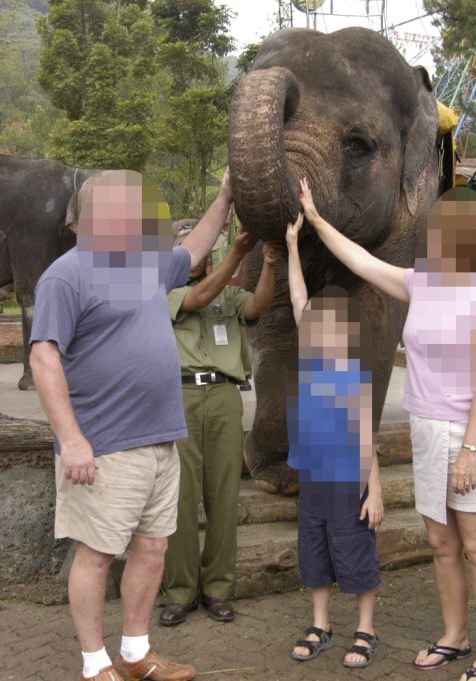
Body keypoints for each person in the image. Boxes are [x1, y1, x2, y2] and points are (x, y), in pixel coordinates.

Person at [297, 178, 476, 681]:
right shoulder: (422, 281)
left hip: (475, 436)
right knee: (442, 546)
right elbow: (360, 261)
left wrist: (469, 451)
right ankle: (454, 637)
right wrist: (315, 219)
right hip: (428, 430)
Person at [29, 169, 233, 681]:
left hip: (161, 439)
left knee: (153, 546)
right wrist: (72, 440)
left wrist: (226, 195)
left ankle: (137, 653)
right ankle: (95, 665)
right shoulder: (65, 274)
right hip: (103, 445)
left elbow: (197, 247)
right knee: (97, 556)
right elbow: (44, 359)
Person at [160, 224, 281, 626]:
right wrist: (236, 253)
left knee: (224, 494)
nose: (202, 256)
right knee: (181, 497)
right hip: (182, 398)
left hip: (225, 397)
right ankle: (179, 591)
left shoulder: (229, 295)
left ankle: (218, 589)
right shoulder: (167, 292)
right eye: (193, 249)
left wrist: (265, 262)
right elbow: (199, 297)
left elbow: (258, 305)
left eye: (208, 249)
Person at [283, 212, 385, 669]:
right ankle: (321, 624)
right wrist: (290, 247)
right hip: (313, 481)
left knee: (356, 552)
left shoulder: (351, 376)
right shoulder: (309, 363)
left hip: (350, 481)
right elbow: (298, 295)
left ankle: (367, 629)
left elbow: (367, 433)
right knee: (316, 553)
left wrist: (375, 489)